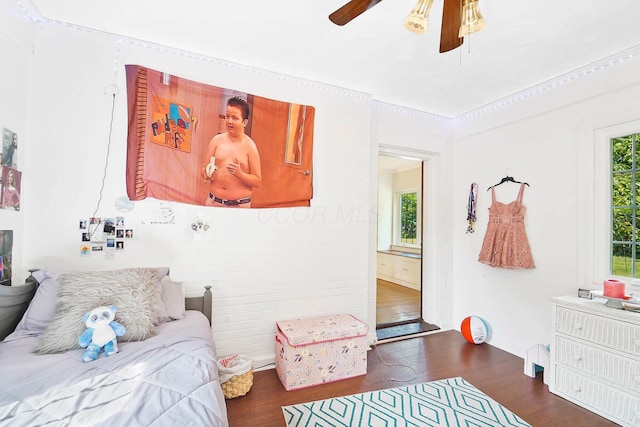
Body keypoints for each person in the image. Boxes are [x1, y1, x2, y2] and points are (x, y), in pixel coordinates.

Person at [201, 96, 262, 208]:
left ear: (244, 122)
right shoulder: (216, 141)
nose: (229, 121)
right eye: (227, 116)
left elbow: (257, 181)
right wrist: (208, 173)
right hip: (214, 203)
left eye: (234, 118)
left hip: (239, 206)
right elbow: (203, 169)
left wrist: (240, 174)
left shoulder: (250, 146)